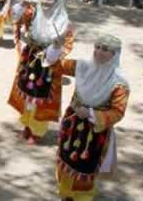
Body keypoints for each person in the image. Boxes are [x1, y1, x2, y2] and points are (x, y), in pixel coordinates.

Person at [53, 35, 130, 201]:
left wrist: (91, 114)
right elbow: (56, 66)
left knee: (85, 165)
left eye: (106, 50)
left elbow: (118, 111)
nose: (100, 52)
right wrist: (56, 48)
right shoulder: (83, 66)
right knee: (66, 156)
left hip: (95, 132)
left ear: (115, 55)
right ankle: (66, 194)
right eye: (98, 47)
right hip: (72, 123)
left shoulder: (119, 82)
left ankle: (80, 197)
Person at [6, 0, 74, 144]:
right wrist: (23, 4)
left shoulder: (64, 23)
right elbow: (13, 17)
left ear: (57, 2)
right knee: (26, 90)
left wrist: (56, 47)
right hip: (29, 57)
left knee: (41, 96)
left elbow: (66, 46)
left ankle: (37, 131)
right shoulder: (33, 12)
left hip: (49, 64)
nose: (45, 2)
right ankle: (27, 125)